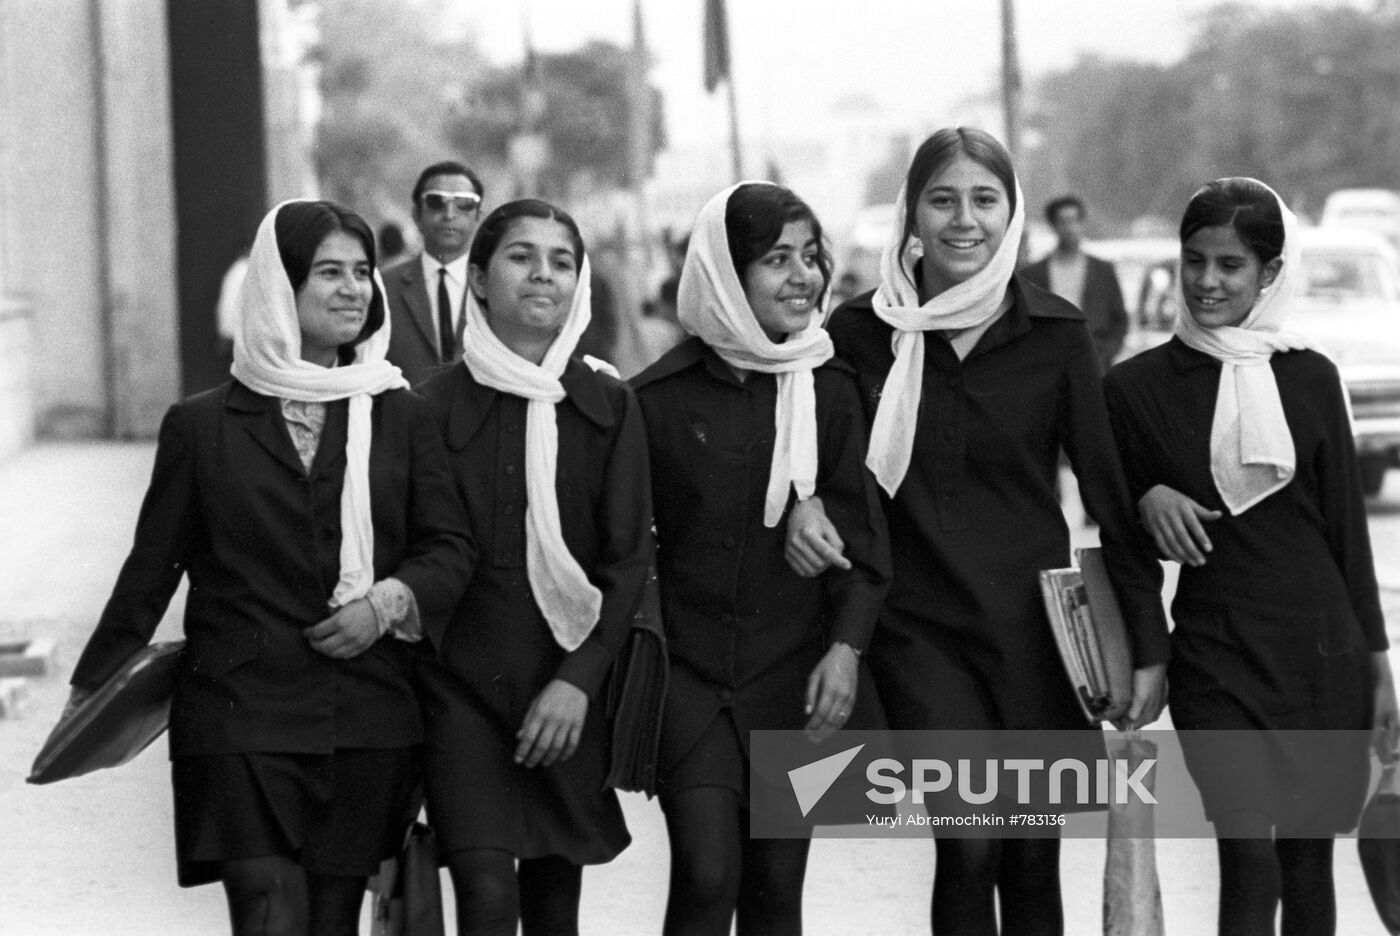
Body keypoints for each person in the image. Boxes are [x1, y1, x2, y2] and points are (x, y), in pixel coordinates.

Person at [785, 127, 1171, 934]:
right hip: (916, 631)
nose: (965, 220)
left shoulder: (1057, 335)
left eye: (984, 199)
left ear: (1012, 213)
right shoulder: (857, 335)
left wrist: (1146, 642)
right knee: (968, 844)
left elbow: (1107, 491)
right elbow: (799, 441)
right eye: (944, 199)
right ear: (912, 215)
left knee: (1031, 854)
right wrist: (802, 500)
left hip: (1036, 635)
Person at [60, 199, 474, 935]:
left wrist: (384, 603)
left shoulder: (397, 414)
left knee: (330, 916)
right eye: (329, 274)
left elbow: (448, 550)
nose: (353, 290)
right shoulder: (202, 425)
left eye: (362, 273)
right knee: (262, 908)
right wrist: (93, 688)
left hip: (367, 709)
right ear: (280, 286)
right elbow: (151, 570)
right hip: (238, 708)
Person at [1103, 177, 1400, 936]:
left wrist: (1380, 671)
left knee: (1306, 866)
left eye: (1230, 265)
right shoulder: (1134, 389)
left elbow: (1346, 534)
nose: (1207, 281)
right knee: (1249, 857)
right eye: (1194, 260)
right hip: (1215, 656)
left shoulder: (1311, 377)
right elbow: (1116, 531)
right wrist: (1146, 499)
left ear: (1269, 274)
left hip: (1321, 656)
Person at [633, 182, 891, 936]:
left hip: (799, 676)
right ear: (723, 271)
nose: (803, 278)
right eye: (777, 259)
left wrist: (845, 651)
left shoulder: (833, 391)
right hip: (692, 677)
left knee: (778, 891)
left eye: (812, 258)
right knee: (709, 876)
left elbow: (870, 547)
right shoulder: (654, 400)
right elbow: (626, 549)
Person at [413, 199, 654, 936]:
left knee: (555, 908)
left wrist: (578, 683)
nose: (543, 274)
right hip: (458, 695)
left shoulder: (608, 404)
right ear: (480, 279)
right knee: (485, 898)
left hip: (567, 694)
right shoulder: (426, 406)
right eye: (522, 257)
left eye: (561, 260)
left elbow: (627, 561)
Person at [384, 160, 485, 385]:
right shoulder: (382, 287)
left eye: (464, 204)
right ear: (416, 215)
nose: (449, 214)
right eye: (436, 202)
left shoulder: (496, 287)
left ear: (478, 215)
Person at [1022, 195, 1129, 373]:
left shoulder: (1103, 270)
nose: (1070, 228)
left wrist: (1108, 352)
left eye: (1074, 220)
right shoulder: (1034, 274)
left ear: (1082, 223)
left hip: (1094, 359)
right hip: (1047, 362)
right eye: (1063, 221)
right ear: (1053, 226)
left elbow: (1119, 318)